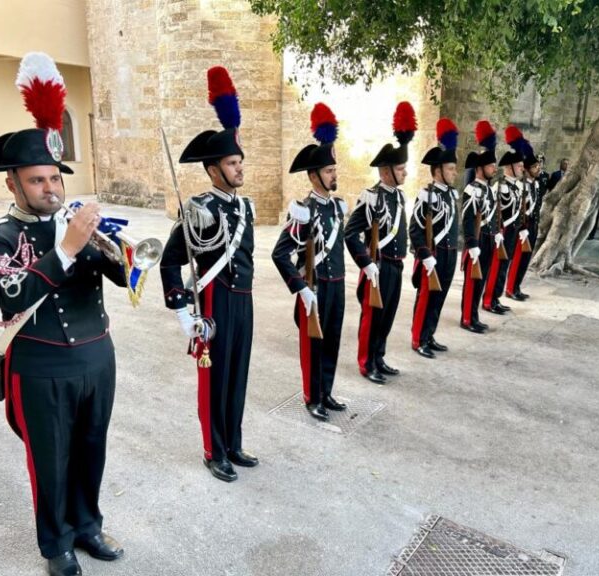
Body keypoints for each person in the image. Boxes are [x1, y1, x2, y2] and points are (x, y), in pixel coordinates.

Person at [0, 53, 126, 576]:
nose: (51, 189)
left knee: (92, 448)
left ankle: (88, 525)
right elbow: (12, 298)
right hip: (40, 365)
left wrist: (117, 251)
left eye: (55, 178)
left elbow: (125, 279)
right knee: (51, 460)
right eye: (37, 181)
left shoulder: (74, 220)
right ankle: (55, 544)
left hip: (98, 355)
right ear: (12, 184)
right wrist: (69, 248)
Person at [160, 66, 258, 483]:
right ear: (214, 169)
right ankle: (213, 450)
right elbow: (169, 260)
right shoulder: (198, 209)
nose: (239, 169)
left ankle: (233, 442)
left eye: (240, 162)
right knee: (214, 378)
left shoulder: (245, 207)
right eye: (233, 164)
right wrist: (182, 308)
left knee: (238, 374)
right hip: (213, 299)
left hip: (244, 300)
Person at [271, 103, 347, 421]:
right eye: (329, 171)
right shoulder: (303, 210)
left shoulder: (340, 206)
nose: (334, 175)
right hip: (313, 289)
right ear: (314, 175)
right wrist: (300, 287)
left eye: (334, 170)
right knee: (312, 346)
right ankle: (311, 396)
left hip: (337, 285)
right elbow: (280, 253)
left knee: (331, 342)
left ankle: (326, 392)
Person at [344, 102, 415, 384]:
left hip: (395, 267)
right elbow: (351, 233)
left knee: (387, 316)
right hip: (378, 266)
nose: (405, 173)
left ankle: (379, 357)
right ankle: (366, 362)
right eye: (401, 169)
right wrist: (366, 263)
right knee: (372, 318)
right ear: (386, 172)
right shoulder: (371, 197)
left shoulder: (398, 197)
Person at [409, 118, 460, 358]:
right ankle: (419, 338)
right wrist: (425, 255)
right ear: (438, 170)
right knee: (426, 299)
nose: (454, 173)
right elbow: (415, 229)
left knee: (439, 298)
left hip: (449, 254)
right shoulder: (427, 195)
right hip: (434, 255)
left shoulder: (451, 195)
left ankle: (429, 335)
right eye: (450, 169)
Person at [459, 120, 498, 334]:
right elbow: (467, 219)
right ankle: (467, 318)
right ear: (480, 168)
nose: (494, 168)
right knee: (472, 282)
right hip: (477, 239)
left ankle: (474, 315)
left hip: (489, 238)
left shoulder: (489, 190)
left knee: (481, 281)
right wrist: (471, 244)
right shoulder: (472, 190)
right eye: (491, 165)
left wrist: (496, 235)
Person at [483, 126, 526, 315]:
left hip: (512, 231)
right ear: (509, 167)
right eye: (519, 166)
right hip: (502, 232)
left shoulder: (516, 187)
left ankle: (496, 297)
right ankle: (488, 300)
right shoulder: (499, 186)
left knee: (505, 265)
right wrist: (496, 232)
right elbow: (491, 212)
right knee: (497, 266)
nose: (521, 169)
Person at [506, 132, 542, 301]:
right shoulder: (521, 186)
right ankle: (510, 288)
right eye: (535, 167)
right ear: (527, 170)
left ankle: (517, 286)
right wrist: (522, 228)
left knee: (525, 259)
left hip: (533, 226)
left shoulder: (535, 184)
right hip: (523, 227)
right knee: (518, 259)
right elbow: (519, 210)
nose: (538, 169)